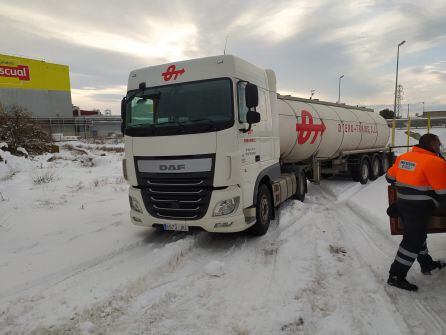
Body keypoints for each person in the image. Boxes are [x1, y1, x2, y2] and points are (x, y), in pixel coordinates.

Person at [386, 133, 446, 291]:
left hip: (403, 204)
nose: (440, 147)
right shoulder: (435, 162)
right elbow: (443, 194)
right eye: (439, 144)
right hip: (419, 207)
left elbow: (389, 177)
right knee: (413, 240)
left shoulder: (404, 157)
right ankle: (396, 276)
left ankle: (427, 264)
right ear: (433, 144)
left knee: (417, 235)